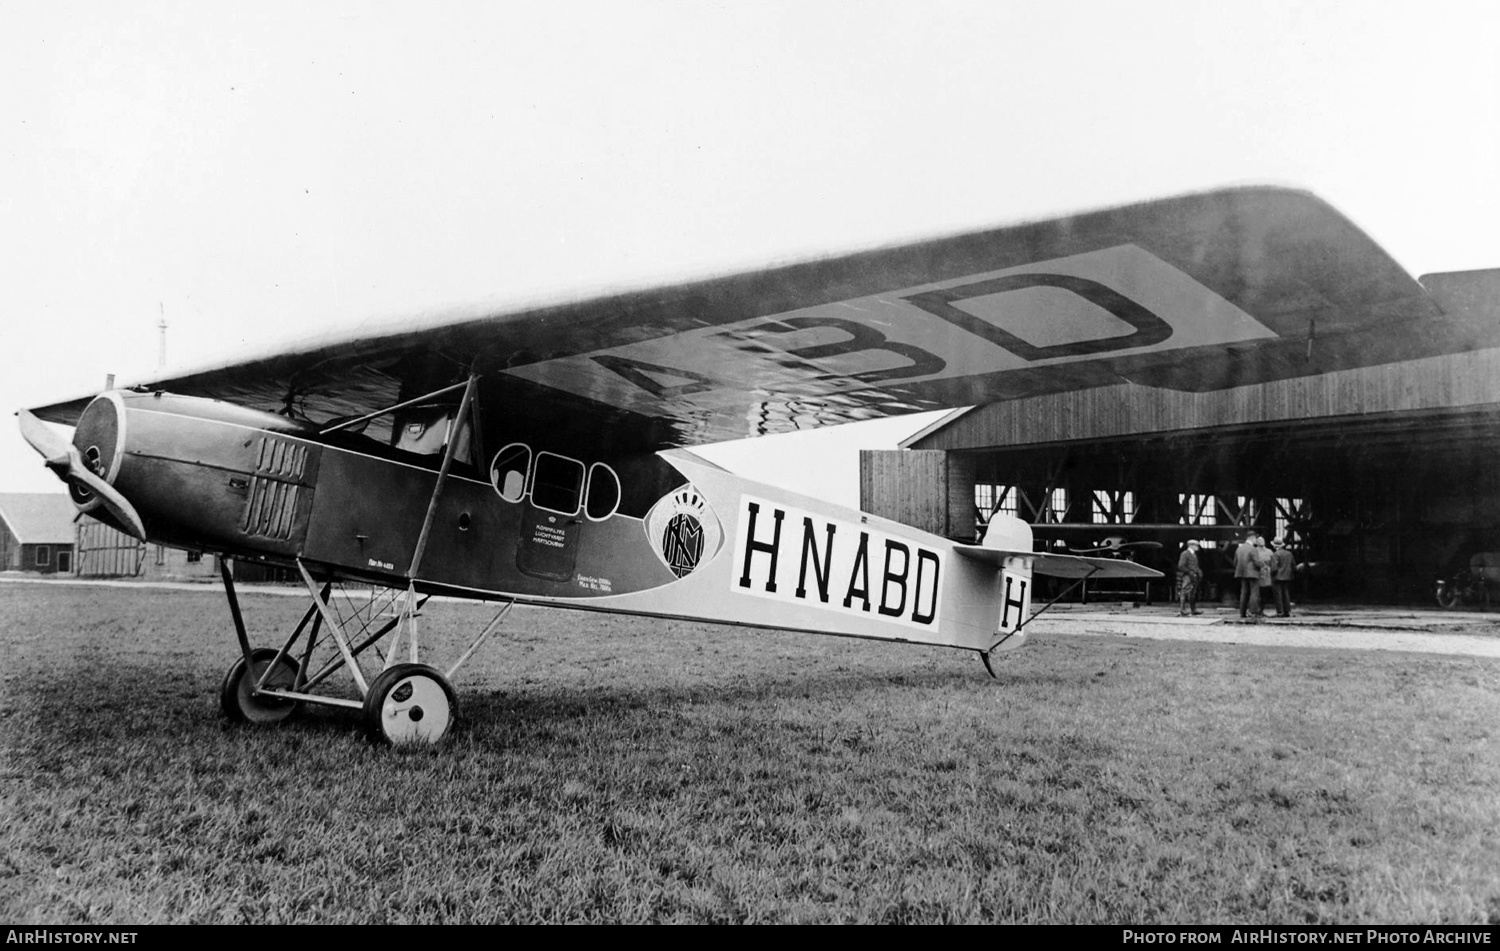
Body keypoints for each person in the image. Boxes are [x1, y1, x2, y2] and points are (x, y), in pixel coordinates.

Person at [1233, 532, 1262, 620]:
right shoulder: (1252, 549)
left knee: (1244, 593)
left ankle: (1242, 613)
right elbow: (1256, 562)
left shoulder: (1239, 548)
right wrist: (1262, 565)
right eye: (1256, 539)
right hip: (1252, 573)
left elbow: (1235, 562)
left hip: (1242, 573)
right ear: (1252, 538)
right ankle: (1253, 612)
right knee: (1254, 593)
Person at [1177, 540, 1203, 616]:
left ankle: (1193, 609)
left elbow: (1195, 566)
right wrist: (1189, 572)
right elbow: (1181, 565)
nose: (1198, 547)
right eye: (1196, 545)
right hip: (1187, 576)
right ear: (1191, 545)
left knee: (1193, 593)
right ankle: (1183, 610)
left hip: (1194, 575)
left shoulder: (1194, 554)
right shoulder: (1185, 554)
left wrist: (1199, 572)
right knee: (1184, 592)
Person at [1270, 537, 1295, 617]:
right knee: (1286, 593)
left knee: (1278, 595)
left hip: (1277, 577)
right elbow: (1293, 565)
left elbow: (1274, 568)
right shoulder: (1289, 554)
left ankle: (1280, 611)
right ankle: (1287, 611)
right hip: (1287, 576)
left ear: (1275, 546)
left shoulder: (1275, 554)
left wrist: (1271, 574)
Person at [1252, 535, 1273, 618]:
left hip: (1258, 574)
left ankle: (1256, 610)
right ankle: (1261, 610)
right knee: (1264, 594)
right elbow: (1273, 563)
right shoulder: (1270, 551)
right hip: (1267, 574)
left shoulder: (1254, 551)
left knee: (1256, 593)